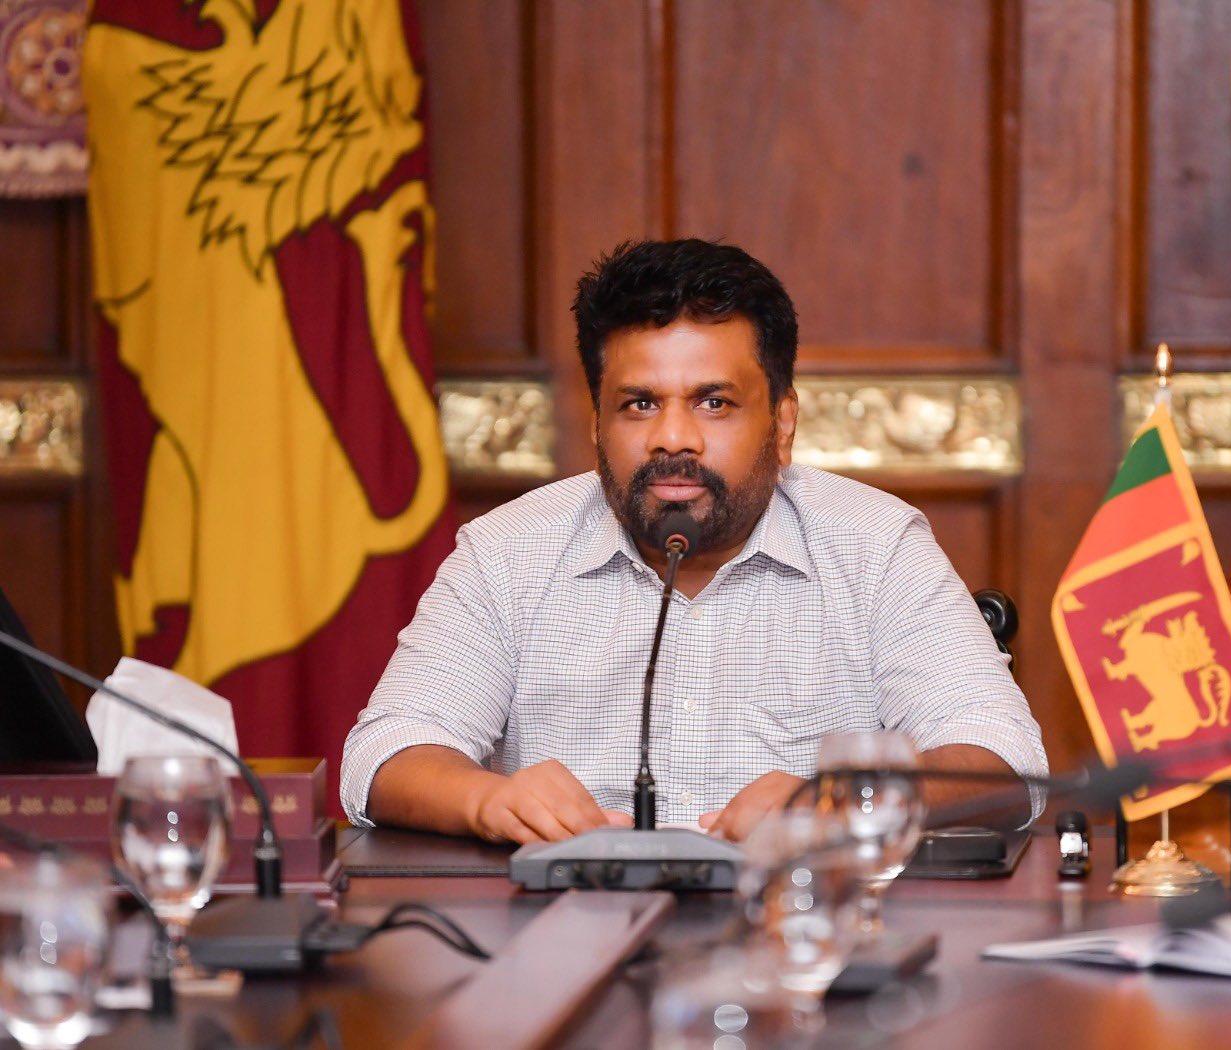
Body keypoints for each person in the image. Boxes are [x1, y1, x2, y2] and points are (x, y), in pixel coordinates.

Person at [341, 239, 1047, 843]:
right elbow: (383, 753)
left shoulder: (876, 546)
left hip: (802, 927)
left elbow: (1006, 762)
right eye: (639, 404)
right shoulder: (508, 551)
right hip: (570, 928)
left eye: (714, 403)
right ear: (596, 425)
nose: (672, 438)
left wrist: (846, 805)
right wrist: (486, 800)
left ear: (783, 423)